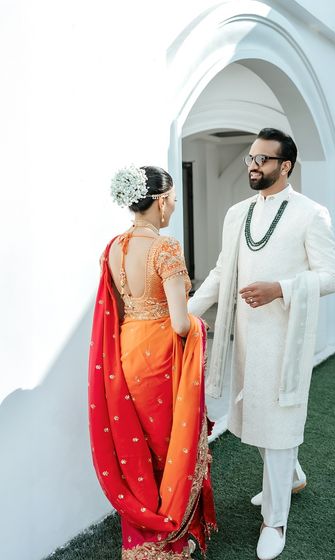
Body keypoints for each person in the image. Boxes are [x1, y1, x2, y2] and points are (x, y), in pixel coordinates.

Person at [188, 128, 335, 559]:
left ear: (285, 165)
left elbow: (332, 277)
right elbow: (221, 271)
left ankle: (275, 521)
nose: (252, 166)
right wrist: (187, 314)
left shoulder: (311, 214)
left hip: (283, 339)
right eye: (250, 159)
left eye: (262, 160)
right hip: (243, 339)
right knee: (250, 413)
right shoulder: (237, 213)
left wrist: (281, 288)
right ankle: (290, 472)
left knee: (276, 424)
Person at [88, 165, 216, 560]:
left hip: (127, 350)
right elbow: (180, 322)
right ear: (161, 201)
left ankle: (142, 534)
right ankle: (170, 534)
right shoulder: (166, 248)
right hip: (160, 355)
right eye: (173, 199)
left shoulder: (112, 247)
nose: (174, 207)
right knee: (166, 445)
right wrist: (200, 326)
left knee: (138, 443)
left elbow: (118, 307)